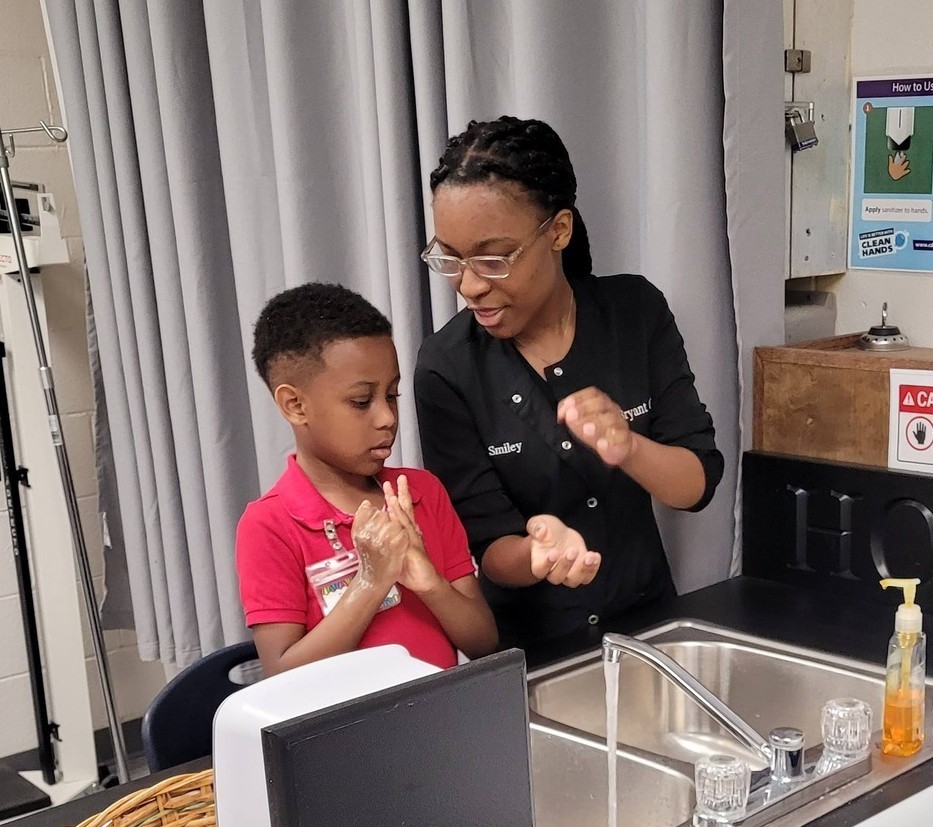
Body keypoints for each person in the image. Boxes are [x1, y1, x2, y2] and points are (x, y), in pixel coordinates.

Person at [414, 116, 724, 652]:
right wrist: (539, 555)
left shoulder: (635, 313)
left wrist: (627, 447)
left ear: (558, 230)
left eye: (493, 258)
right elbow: (487, 546)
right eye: (452, 258)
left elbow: (696, 483)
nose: (469, 285)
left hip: (650, 633)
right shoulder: (447, 368)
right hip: (533, 658)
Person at [236, 282, 498, 677]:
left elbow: (484, 642)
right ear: (295, 405)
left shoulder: (421, 493)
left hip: (439, 720)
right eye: (362, 401)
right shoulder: (269, 526)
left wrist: (429, 582)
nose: (387, 418)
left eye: (391, 395)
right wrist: (371, 582)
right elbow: (283, 676)